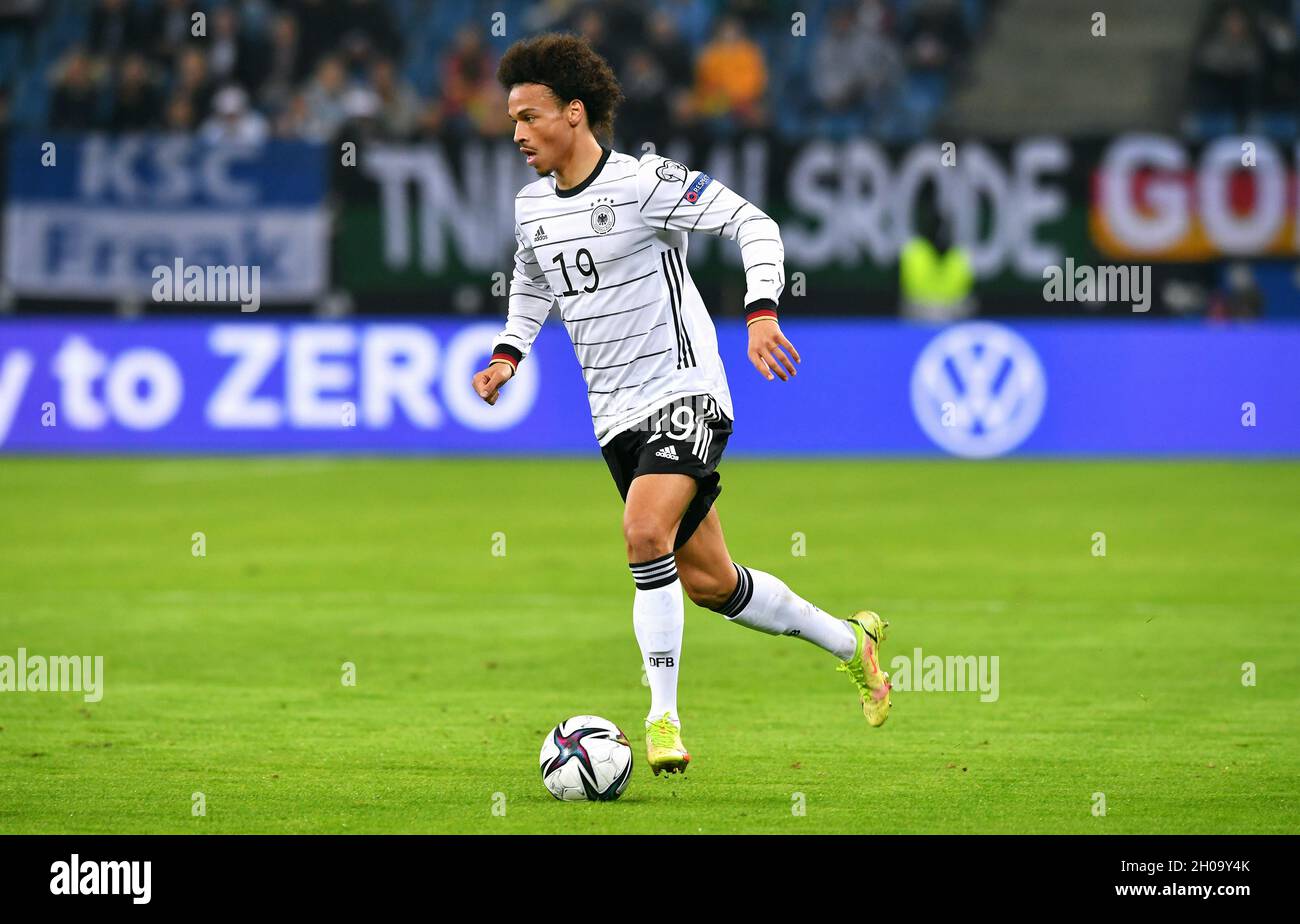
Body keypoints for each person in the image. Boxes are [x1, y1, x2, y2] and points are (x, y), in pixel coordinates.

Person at [471, 34, 892, 777]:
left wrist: (761, 312)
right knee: (711, 584)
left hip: (684, 390)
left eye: (530, 118)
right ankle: (851, 642)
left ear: (574, 114)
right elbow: (532, 279)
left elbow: (753, 224)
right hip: (614, 417)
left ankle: (662, 719)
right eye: (512, 120)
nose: (517, 135)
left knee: (642, 532)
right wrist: (510, 351)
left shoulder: (643, 184)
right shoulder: (532, 206)